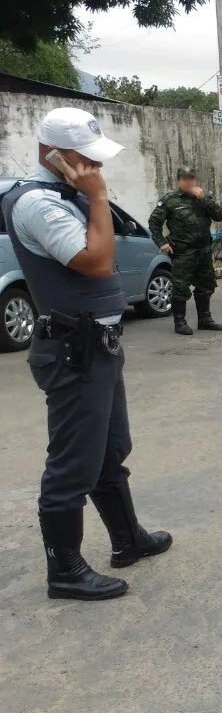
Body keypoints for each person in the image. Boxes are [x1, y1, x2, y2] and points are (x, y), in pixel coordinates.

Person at [0, 108, 172, 600]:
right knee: (73, 462)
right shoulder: (38, 204)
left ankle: (127, 539)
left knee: (110, 449)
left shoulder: (66, 196)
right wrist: (98, 197)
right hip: (73, 350)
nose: (96, 169)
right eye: (86, 159)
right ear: (53, 154)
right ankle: (65, 571)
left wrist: (90, 195)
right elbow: (97, 262)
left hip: (97, 344)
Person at [148, 166, 222, 336]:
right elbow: (154, 223)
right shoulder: (170, 200)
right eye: (185, 179)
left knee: (206, 286)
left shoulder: (203, 198)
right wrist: (161, 243)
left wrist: (204, 199)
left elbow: (219, 215)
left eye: (191, 178)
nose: (189, 182)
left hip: (204, 250)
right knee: (180, 288)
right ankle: (180, 322)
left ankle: (205, 319)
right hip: (184, 253)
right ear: (178, 181)